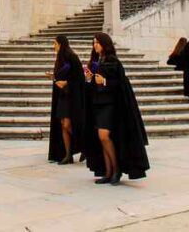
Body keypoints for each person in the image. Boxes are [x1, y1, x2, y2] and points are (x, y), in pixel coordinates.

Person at [81, 32, 149, 184]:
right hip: (98, 105)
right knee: (101, 138)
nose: (95, 45)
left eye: (97, 42)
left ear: (104, 44)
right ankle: (109, 170)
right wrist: (89, 79)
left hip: (110, 105)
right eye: (93, 43)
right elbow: (92, 87)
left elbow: (120, 84)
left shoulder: (113, 62)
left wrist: (104, 81)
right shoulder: (96, 61)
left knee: (104, 135)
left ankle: (116, 168)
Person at [47, 35, 86, 165]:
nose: (54, 46)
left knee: (68, 124)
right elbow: (61, 75)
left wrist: (67, 83)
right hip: (63, 96)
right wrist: (54, 77)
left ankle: (83, 145)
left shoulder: (72, 57)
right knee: (63, 124)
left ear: (61, 44)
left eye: (55, 43)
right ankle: (68, 154)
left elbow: (80, 77)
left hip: (72, 96)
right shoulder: (60, 58)